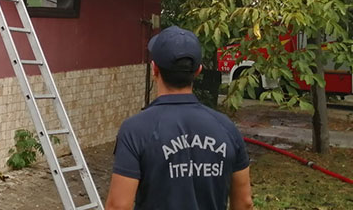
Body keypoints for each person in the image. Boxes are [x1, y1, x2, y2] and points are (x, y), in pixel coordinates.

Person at [106, 26, 254, 210]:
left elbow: (119, 206)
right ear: (198, 71)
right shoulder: (226, 127)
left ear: (154, 69)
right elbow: (245, 203)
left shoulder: (135, 130)